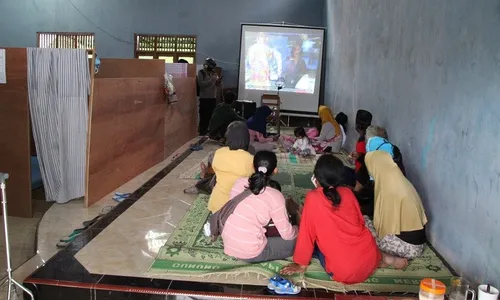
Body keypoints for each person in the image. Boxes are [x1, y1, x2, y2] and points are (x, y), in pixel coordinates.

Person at [280, 155, 407, 284]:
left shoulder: (312, 198)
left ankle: (380, 258)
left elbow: (306, 235)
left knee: (309, 235)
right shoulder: (347, 192)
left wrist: (301, 265)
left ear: (316, 178)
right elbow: (360, 222)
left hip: (344, 272)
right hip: (370, 258)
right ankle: (384, 257)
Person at [222, 151, 298, 262]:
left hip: (229, 244)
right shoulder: (275, 196)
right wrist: (297, 228)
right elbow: (287, 235)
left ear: (253, 166)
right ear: (275, 170)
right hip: (251, 252)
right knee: (298, 240)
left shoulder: (238, 183)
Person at [364, 151, 428, 261]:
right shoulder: (401, 181)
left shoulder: (388, 189)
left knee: (363, 227)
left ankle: (388, 259)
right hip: (419, 244)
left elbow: (382, 228)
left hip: (407, 248)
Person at [184, 121, 253, 197]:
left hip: (220, 195)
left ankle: (204, 176)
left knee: (216, 176)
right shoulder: (251, 155)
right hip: (241, 194)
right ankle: (205, 174)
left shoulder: (218, 153)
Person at [207, 121, 254, 213]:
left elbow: (215, 170)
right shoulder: (250, 158)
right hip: (237, 206)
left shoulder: (219, 153)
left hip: (217, 204)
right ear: (246, 138)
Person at [197, 58, 221, 135]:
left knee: (211, 115)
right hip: (204, 98)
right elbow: (201, 84)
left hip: (212, 97)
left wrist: (218, 82)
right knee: (204, 115)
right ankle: (202, 130)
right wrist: (211, 80)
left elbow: (216, 84)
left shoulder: (214, 73)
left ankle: (208, 130)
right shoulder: (201, 73)